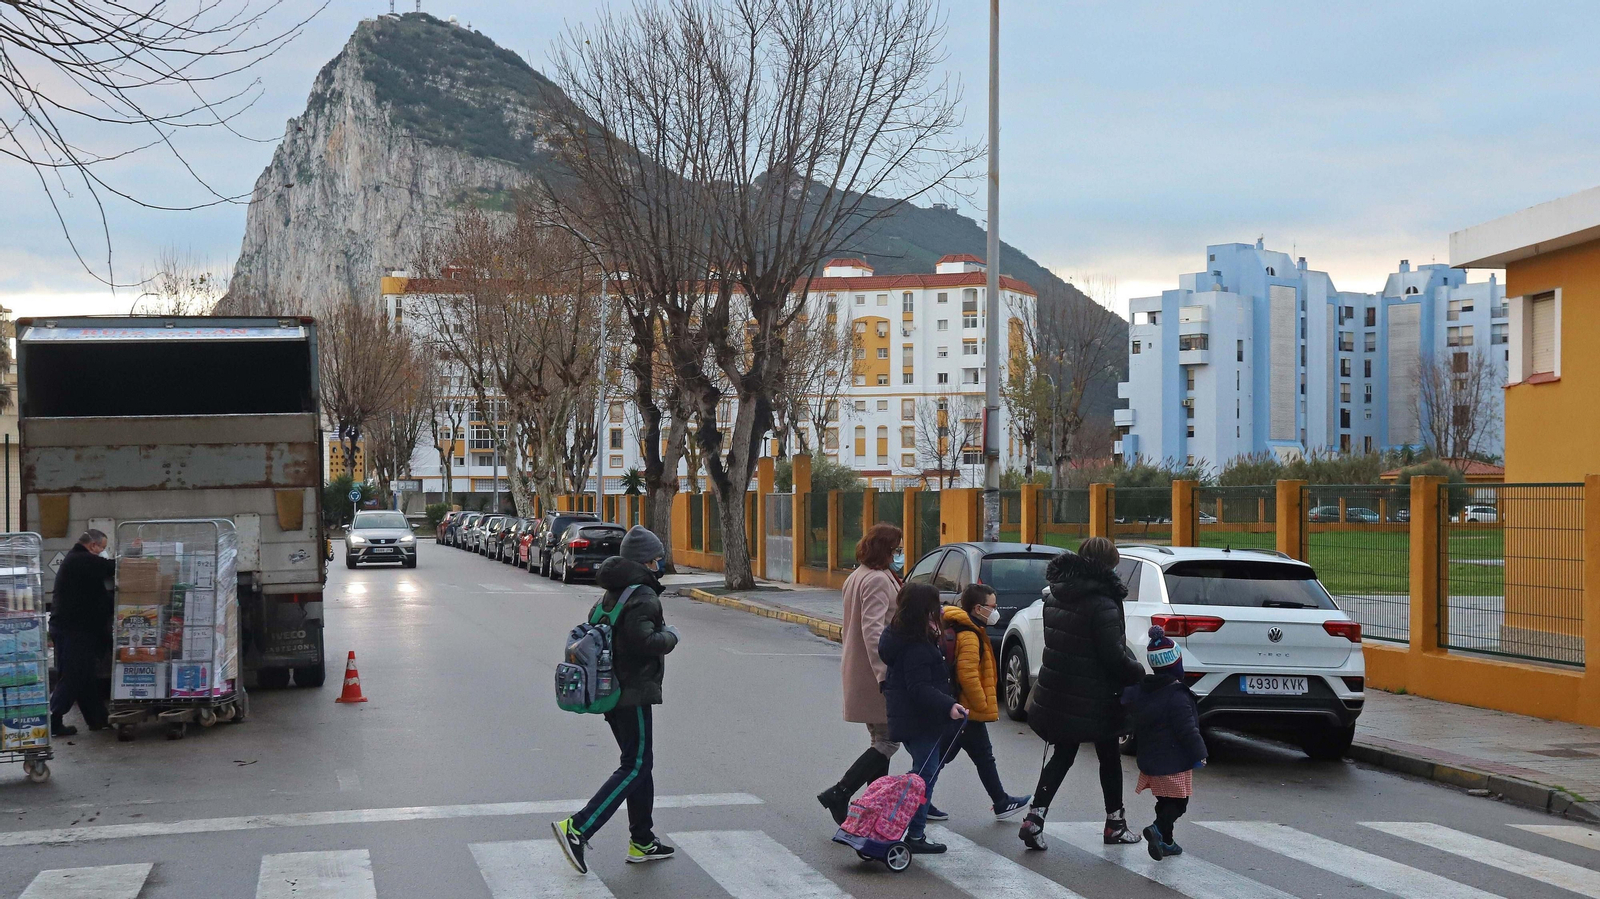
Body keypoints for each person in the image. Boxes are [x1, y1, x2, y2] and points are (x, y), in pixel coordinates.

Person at [554, 526, 680, 874]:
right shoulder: (643, 596)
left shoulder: (614, 592)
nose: (660, 564)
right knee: (635, 766)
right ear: (646, 561)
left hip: (611, 690)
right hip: (631, 692)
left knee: (639, 764)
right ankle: (578, 827)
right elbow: (645, 642)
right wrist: (670, 636)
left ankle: (642, 840)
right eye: (657, 559)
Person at [1017, 536, 1145, 851]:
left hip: (1060, 688)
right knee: (1109, 757)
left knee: (1063, 754)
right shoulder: (1103, 602)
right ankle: (1115, 824)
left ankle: (1035, 818)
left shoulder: (1056, 595)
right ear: (1108, 566)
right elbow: (1112, 655)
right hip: (1096, 694)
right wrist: (1137, 672)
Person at [817, 522, 904, 824]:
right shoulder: (877, 580)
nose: (899, 553)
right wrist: (884, 673)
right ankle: (840, 792)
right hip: (873, 672)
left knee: (879, 740)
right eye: (896, 548)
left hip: (861, 668)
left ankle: (872, 808)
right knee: (889, 740)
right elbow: (873, 630)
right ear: (886, 549)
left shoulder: (859, 575)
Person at [878, 581, 966, 855]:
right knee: (924, 776)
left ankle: (905, 825)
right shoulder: (915, 644)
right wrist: (949, 705)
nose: (941, 609)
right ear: (924, 610)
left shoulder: (906, 634)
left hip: (914, 718)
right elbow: (919, 688)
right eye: (936, 605)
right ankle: (912, 832)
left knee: (924, 774)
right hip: (920, 720)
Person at [938, 584, 1030, 819]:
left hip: (964, 710)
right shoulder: (970, 635)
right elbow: (967, 675)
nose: (996, 611)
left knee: (969, 757)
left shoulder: (971, 629)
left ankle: (1001, 801)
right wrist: (981, 704)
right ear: (978, 608)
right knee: (941, 759)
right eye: (993, 606)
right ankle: (913, 799)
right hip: (967, 710)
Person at [1125, 625, 1207, 860]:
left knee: (1164, 800)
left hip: (1150, 760)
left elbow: (1127, 704)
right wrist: (1200, 753)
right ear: (1176, 665)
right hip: (1174, 761)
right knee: (1179, 802)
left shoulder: (1143, 691)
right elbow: (1187, 730)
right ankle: (1158, 829)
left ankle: (1166, 841)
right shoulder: (1177, 696)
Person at [48, 529, 115, 736]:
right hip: (73, 630)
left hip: (73, 628)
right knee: (74, 674)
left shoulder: (77, 560)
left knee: (85, 675)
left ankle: (97, 719)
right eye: (102, 547)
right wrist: (134, 554)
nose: (102, 552)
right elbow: (112, 567)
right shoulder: (81, 559)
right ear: (93, 545)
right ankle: (53, 719)